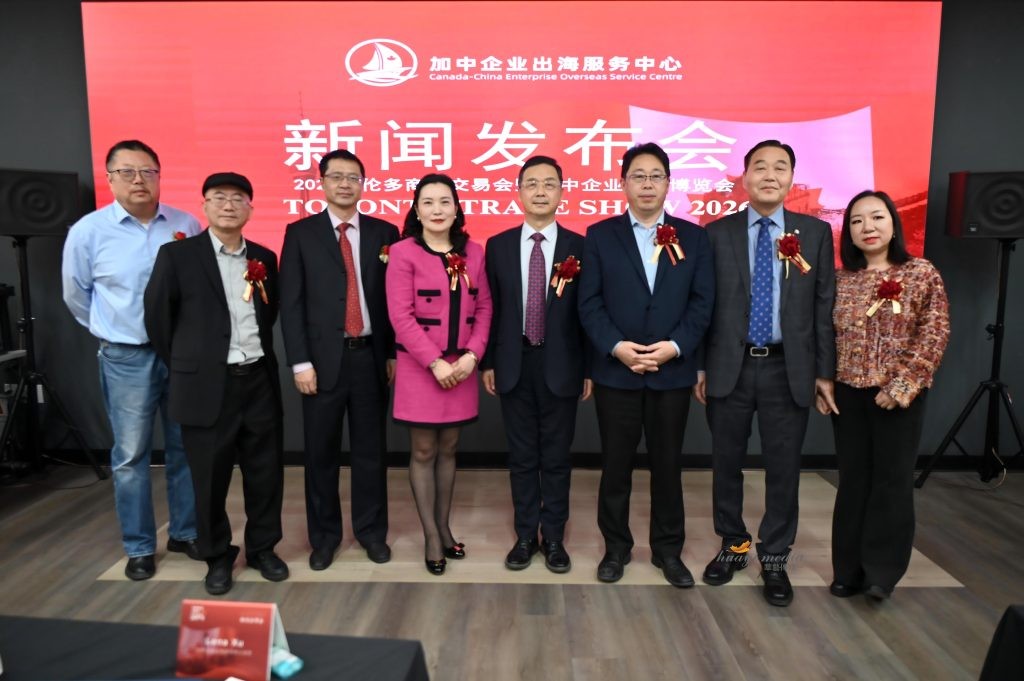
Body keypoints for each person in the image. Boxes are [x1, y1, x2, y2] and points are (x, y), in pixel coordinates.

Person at [695, 139, 837, 607]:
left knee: (783, 469)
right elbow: (704, 305)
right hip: (728, 366)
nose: (770, 175)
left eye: (780, 167)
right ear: (745, 177)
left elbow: (823, 306)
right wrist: (700, 364)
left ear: (791, 178)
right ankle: (733, 546)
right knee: (726, 464)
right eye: (760, 167)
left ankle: (774, 558)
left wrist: (824, 371)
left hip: (788, 368)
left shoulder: (815, 233)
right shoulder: (716, 233)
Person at [61, 139, 200, 581]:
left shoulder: (185, 224)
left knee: (185, 448)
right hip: (125, 356)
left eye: (147, 172)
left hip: (180, 355)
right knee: (131, 456)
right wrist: (111, 330)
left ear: (159, 176)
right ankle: (139, 547)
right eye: (127, 172)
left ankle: (185, 532)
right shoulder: (88, 231)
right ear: (110, 178)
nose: (138, 180)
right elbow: (76, 294)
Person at [578, 142, 714, 587]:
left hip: (671, 372)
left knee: (668, 467)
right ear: (623, 183)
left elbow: (702, 302)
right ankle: (615, 548)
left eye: (656, 175)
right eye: (638, 175)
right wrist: (616, 346)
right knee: (615, 467)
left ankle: (667, 551)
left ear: (669, 183)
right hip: (617, 372)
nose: (648, 184)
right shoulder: (600, 235)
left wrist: (675, 347)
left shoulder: (694, 237)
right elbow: (589, 303)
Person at [145, 172, 286, 595]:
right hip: (207, 386)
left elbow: (269, 313)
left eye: (238, 198)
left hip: (258, 379)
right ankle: (217, 556)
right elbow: (158, 320)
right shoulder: (177, 256)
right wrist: (193, 366)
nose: (228, 205)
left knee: (265, 473)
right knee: (209, 479)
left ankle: (262, 549)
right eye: (219, 197)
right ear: (204, 206)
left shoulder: (264, 257)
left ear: (250, 209)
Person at [823, 190, 949, 601]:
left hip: (899, 397)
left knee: (892, 482)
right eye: (857, 220)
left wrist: (901, 386)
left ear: (893, 223)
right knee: (853, 482)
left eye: (877, 217)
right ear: (848, 231)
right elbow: (824, 335)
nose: (868, 227)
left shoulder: (921, 273)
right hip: (848, 394)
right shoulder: (841, 279)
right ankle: (847, 570)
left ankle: (881, 573)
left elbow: (934, 333)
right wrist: (822, 381)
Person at [279, 149, 400, 570]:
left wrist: (390, 353)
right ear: (323, 182)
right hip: (320, 363)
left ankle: (371, 533)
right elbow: (291, 303)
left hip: (370, 358)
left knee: (372, 452)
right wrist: (300, 363)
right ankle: (325, 538)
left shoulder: (386, 232)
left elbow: (392, 301)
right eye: (337, 177)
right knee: (320, 455)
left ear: (363, 184)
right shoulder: (300, 233)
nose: (345, 184)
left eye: (353, 177)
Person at [481, 156, 591, 573]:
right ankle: (526, 535)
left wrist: (588, 368)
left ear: (562, 192)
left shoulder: (580, 246)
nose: (541, 191)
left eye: (549, 184)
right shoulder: (499, 245)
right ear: (519, 191)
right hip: (514, 362)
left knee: (557, 457)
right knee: (523, 457)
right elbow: (490, 308)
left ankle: (555, 537)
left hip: (562, 364)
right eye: (532, 184)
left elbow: (586, 312)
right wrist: (489, 361)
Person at [385, 174, 492, 576]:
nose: (437, 210)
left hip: (461, 367)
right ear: (416, 210)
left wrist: (472, 355)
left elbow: (485, 308)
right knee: (424, 450)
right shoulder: (403, 252)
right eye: (428, 202)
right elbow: (400, 316)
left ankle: (445, 527)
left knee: (449, 448)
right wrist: (434, 362)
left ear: (457, 208)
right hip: (420, 367)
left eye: (445, 201)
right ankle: (431, 535)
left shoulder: (474, 252)